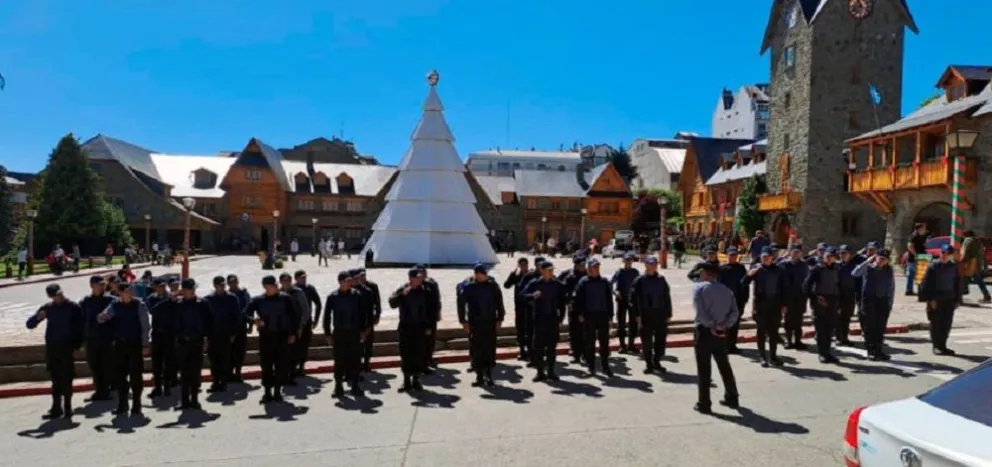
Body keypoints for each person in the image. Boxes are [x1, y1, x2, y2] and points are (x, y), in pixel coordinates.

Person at [26, 284, 84, 419]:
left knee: (67, 378)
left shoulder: (73, 307)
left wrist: (78, 345)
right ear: (51, 297)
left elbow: (81, 328)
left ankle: (68, 407)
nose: (60, 296)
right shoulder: (47, 308)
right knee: (55, 378)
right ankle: (56, 408)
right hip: (52, 348)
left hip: (67, 347)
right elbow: (29, 325)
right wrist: (38, 318)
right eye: (56, 295)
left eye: (60, 293)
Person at [691, 263, 740, 414]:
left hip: (705, 332)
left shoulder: (699, 289)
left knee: (704, 369)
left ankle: (704, 403)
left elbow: (700, 314)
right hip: (721, 332)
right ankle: (732, 397)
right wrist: (724, 325)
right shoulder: (727, 290)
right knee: (724, 365)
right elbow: (735, 312)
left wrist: (712, 325)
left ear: (706, 273)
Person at [97, 283, 151, 415]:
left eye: (130, 291)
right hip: (120, 345)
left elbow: (145, 326)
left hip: (135, 344)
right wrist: (102, 317)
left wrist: (145, 344)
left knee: (136, 376)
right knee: (120, 376)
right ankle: (123, 404)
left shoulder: (139, 305)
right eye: (126, 291)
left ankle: (136, 404)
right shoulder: (115, 304)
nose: (129, 293)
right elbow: (102, 317)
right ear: (121, 293)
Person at [245, 275, 299, 404]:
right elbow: (244, 313)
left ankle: (277, 392)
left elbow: (294, 316)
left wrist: (293, 334)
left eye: (276, 284)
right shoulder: (258, 300)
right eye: (273, 284)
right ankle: (267, 392)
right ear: (266, 286)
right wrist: (254, 320)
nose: (276, 286)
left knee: (281, 365)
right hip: (266, 337)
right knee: (266, 366)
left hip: (282, 336)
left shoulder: (286, 298)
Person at [165, 278, 214, 410]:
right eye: (187, 289)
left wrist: (207, 340)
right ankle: (185, 400)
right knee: (184, 372)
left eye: (192, 289)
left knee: (195, 372)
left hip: (197, 341)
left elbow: (210, 323)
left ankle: (195, 400)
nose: (190, 291)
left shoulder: (202, 303)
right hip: (182, 342)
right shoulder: (178, 304)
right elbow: (162, 312)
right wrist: (171, 299)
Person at [389, 268, 437, 392]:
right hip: (406, 327)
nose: (420, 279)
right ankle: (406, 381)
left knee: (419, 355)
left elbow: (430, 310)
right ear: (411, 278)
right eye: (417, 277)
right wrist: (401, 295)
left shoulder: (426, 291)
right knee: (406, 355)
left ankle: (416, 380)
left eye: (421, 277)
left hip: (420, 328)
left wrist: (428, 327)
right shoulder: (403, 289)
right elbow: (392, 303)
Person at [457, 263, 505, 386]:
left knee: (489, 349)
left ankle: (488, 375)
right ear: (477, 274)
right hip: (476, 323)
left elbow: (499, 302)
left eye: (485, 273)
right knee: (478, 349)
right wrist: (463, 321)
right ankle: (479, 377)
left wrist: (500, 318)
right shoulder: (469, 287)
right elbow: (461, 304)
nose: (485, 276)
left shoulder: (492, 285)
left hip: (490, 321)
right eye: (482, 274)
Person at [519, 261, 567, 381]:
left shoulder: (557, 284)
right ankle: (540, 372)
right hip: (539, 319)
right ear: (542, 271)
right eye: (549, 270)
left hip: (552, 319)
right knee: (539, 347)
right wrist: (532, 296)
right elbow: (522, 295)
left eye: (552, 270)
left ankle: (551, 371)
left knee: (552, 347)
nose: (551, 273)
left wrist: (561, 318)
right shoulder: (535, 283)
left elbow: (563, 301)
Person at [323, 271, 368, 398]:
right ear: (341, 282)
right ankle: (338, 386)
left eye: (350, 280)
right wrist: (327, 334)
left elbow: (363, 314)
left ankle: (355, 385)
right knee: (339, 360)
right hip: (339, 332)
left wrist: (364, 330)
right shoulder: (333, 297)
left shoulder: (357, 295)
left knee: (355, 359)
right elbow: (327, 316)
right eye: (347, 280)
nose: (350, 282)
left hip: (354, 331)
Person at [742, 247, 787, 367]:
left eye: (768, 257)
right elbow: (743, 283)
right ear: (761, 258)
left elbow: (784, 288)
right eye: (763, 257)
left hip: (775, 305)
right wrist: (749, 274)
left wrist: (784, 304)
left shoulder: (779, 270)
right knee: (761, 333)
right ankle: (762, 356)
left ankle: (773, 356)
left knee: (773, 333)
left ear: (772, 258)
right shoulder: (757, 270)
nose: (766, 259)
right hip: (761, 306)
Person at [630, 256, 673, 373]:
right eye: (651, 264)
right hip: (646, 314)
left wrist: (669, 313)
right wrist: (637, 315)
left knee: (660, 339)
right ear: (646, 265)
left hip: (660, 313)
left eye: (655, 264)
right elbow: (633, 299)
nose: (653, 266)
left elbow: (667, 297)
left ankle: (657, 361)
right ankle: (649, 364)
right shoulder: (639, 281)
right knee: (647, 341)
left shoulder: (661, 280)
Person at [574, 258, 614, 377]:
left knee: (604, 343)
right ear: (589, 269)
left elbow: (609, 300)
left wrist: (611, 316)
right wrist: (580, 314)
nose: (596, 269)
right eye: (594, 267)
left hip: (602, 315)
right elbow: (578, 300)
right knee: (589, 343)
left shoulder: (604, 282)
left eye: (597, 267)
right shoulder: (583, 282)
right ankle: (591, 367)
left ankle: (605, 366)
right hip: (589, 316)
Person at [852, 249, 895, 360]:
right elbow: (855, 273)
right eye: (879, 258)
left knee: (880, 328)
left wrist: (890, 302)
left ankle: (879, 350)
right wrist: (867, 261)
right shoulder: (868, 267)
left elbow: (891, 287)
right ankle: (871, 350)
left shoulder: (889, 270)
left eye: (884, 259)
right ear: (875, 258)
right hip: (868, 300)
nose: (881, 261)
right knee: (869, 327)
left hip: (882, 301)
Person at [919, 245, 961, 355]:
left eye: (947, 254)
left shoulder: (954, 267)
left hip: (949, 299)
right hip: (936, 300)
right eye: (943, 253)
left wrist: (957, 300)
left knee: (946, 324)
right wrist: (930, 299)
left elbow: (957, 284)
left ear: (951, 255)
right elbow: (926, 284)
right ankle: (936, 346)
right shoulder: (933, 266)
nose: (944, 256)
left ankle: (943, 345)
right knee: (936, 323)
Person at [79, 275, 116, 401]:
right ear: (91, 286)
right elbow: (79, 320)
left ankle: (105, 391)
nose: (102, 286)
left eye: (103, 284)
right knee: (94, 365)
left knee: (106, 365)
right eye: (98, 284)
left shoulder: (111, 300)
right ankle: (98, 390)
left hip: (107, 338)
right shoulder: (85, 302)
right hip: (91, 339)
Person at [204, 276, 242, 393]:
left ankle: (224, 382)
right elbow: (205, 318)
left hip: (226, 334)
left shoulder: (232, 298)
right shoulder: (208, 299)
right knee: (213, 359)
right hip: (213, 334)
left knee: (225, 359)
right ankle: (215, 381)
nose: (222, 287)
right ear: (215, 286)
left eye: (223, 285)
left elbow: (236, 316)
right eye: (219, 285)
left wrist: (233, 333)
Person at [803, 248, 841, 364]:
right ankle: (822, 354)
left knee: (829, 329)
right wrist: (815, 298)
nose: (829, 258)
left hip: (833, 301)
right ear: (823, 257)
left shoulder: (837, 269)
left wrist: (839, 302)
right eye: (827, 256)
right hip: (820, 302)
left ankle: (828, 352)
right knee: (821, 329)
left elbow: (840, 286)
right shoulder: (817, 269)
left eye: (832, 256)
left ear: (835, 258)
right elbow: (806, 286)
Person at [147, 278, 177, 398]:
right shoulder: (152, 298)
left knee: (169, 361)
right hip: (157, 334)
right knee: (156, 362)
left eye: (164, 286)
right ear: (155, 287)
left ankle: (167, 385)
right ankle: (158, 387)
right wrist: (167, 301)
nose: (162, 288)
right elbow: (153, 310)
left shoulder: (171, 298)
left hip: (169, 333)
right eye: (160, 286)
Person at [503, 257, 537, 361]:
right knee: (520, 329)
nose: (524, 267)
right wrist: (512, 274)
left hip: (530, 307)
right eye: (522, 265)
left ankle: (531, 351)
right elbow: (506, 285)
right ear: (518, 265)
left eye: (525, 264)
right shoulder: (516, 276)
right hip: (519, 307)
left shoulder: (531, 275)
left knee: (530, 329)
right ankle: (522, 351)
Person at [278, 273, 308, 384]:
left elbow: (305, 310)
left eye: (288, 280)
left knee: (294, 351)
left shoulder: (298, 292)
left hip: (295, 327)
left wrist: (301, 326)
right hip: (281, 328)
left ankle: (292, 375)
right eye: (284, 281)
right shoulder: (278, 293)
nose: (286, 283)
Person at [779, 245, 810, 349]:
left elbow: (807, 281)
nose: (796, 254)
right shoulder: (783, 265)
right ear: (790, 252)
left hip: (800, 296)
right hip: (788, 297)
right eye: (794, 252)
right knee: (788, 320)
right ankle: (788, 341)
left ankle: (798, 341)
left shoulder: (804, 265)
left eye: (798, 252)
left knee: (799, 319)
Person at [718, 247, 749, 354]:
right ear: (727, 256)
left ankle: (732, 345)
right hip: (725, 302)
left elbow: (746, 285)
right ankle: (723, 345)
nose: (732, 257)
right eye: (730, 255)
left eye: (734, 255)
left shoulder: (741, 268)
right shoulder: (722, 269)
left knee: (735, 325)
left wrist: (745, 299)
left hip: (738, 301)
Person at [558, 256, 587, 364]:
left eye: (584, 265)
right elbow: (562, 289)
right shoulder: (570, 276)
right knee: (574, 332)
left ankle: (585, 355)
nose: (584, 267)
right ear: (576, 265)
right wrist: (567, 301)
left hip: (585, 308)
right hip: (573, 308)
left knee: (585, 332)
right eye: (582, 265)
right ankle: (576, 354)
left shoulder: (587, 275)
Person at [293, 270, 323, 378]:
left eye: (305, 277)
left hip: (306, 321)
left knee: (304, 345)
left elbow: (318, 304)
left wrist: (316, 319)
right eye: (301, 277)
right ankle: (293, 367)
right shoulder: (292, 290)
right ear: (296, 278)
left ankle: (301, 367)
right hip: (294, 322)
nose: (304, 279)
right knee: (294, 345)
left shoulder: (310, 288)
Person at [352, 268, 382, 372]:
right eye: (360, 275)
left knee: (368, 343)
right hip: (356, 321)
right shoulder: (351, 288)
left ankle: (366, 363)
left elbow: (377, 302)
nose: (362, 277)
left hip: (368, 318)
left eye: (363, 275)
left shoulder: (371, 287)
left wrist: (377, 315)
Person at [611, 252, 641, 354]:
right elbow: (611, 284)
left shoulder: (635, 272)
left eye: (630, 260)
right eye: (626, 260)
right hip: (622, 299)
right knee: (621, 323)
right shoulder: (619, 272)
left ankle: (631, 344)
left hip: (632, 300)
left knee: (633, 323)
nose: (628, 262)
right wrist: (616, 292)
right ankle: (622, 345)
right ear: (623, 261)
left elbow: (640, 285)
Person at [227, 274, 252, 382]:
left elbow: (249, 308)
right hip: (228, 327)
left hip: (241, 326)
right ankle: (229, 373)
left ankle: (238, 372)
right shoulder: (226, 295)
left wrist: (250, 324)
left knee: (240, 351)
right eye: (231, 282)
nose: (233, 284)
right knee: (229, 352)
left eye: (235, 281)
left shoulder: (244, 293)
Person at [835, 245, 861, 347]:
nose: (843, 255)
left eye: (845, 253)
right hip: (838, 296)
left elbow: (857, 282)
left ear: (849, 255)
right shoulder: (836, 266)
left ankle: (844, 338)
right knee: (838, 318)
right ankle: (838, 338)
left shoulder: (853, 266)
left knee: (846, 318)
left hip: (850, 296)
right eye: (841, 253)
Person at [960, 230, 991, 304]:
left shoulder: (967, 240)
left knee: (964, 278)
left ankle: (959, 297)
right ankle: (987, 296)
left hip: (969, 263)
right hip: (976, 263)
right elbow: (981, 253)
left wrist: (962, 261)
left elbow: (966, 251)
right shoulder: (977, 241)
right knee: (978, 280)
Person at [905, 223, 928, 296]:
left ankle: (912, 290)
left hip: (921, 257)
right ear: (919, 229)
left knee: (917, 274)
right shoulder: (914, 236)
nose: (925, 230)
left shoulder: (922, 236)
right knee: (915, 274)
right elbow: (910, 246)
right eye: (923, 228)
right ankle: (911, 290)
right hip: (914, 258)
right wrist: (916, 255)